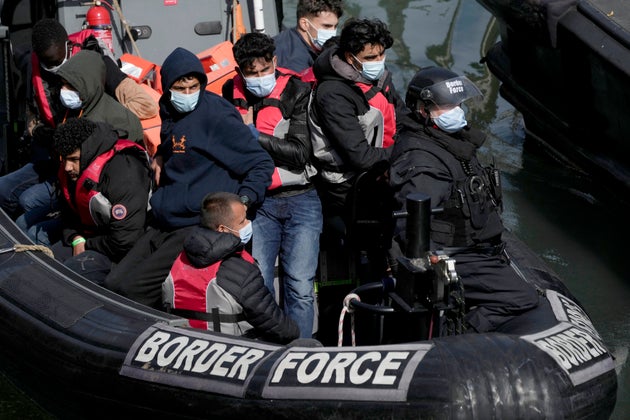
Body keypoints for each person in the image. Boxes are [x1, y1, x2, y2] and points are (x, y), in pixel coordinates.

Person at [105, 47, 275, 309]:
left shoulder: (215, 115)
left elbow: (260, 163)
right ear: (168, 88)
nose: (187, 95)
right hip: (165, 219)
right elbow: (181, 141)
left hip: (195, 223)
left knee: (133, 291)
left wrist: (243, 201)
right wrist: (161, 154)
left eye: (193, 87)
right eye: (180, 89)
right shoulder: (169, 109)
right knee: (114, 284)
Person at [389, 66, 540, 333]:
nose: (457, 110)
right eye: (447, 106)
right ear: (423, 110)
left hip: (477, 245)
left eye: (458, 104)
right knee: (521, 298)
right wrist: (437, 268)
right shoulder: (421, 157)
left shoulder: (450, 141)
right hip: (455, 253)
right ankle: (461, 332)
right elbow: (413, 224)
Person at [0, 18, 156, 219]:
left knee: (29, 200)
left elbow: (145, 105)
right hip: (54, 155)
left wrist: (93, 127)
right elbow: (32, 114)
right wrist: (38, 131)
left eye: (58, 62)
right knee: (3, 189)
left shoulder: (94, 63)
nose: (55, 68)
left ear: (67, 46)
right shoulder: (35, 71)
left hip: (86, 160)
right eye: (49, 64)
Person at [222, 33, 322, 338]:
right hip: (259, 204)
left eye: (264, 70)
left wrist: (256, 137)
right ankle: (266, 348)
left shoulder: (297, 90)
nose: (258, 78)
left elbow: (301, 152)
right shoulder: (230, 91)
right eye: (250, 73)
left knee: (301, 285)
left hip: (301, 199)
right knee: (259, 282)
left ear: (275, 62)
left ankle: (301, 349)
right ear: (239, 70)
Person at [15, 50, 145, 245]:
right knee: (21, 221)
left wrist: (81, 240)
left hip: (96, 204)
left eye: (71, 85)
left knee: (32, 217)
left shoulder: (118, 122)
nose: (64, 90)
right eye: (63, 84)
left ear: (87, 84)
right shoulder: (72, 112)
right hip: (70, 194)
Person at [163, 192, 300, 344]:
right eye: (242, 222)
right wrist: (295, 332)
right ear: (222, 228)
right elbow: (279, 327)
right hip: (231, 354)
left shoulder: (177, 259)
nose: (248, 223)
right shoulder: (241, 270)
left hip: (182, 349)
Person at [309, 17, 409, 222]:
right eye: (371, 57)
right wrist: (407, 152)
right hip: (348, 185)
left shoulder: (378, 79)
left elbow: (403, 118)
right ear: (350, 57)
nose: (379, 61)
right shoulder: (332, 94)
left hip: (386, 165)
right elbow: (360, 156)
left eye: (382, 54)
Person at [51, 118, 151, 285]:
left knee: (67, 276)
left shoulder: (124, 173)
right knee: (43, 261)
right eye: (64, 159)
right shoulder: (73, 170)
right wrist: (75, 238)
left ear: (88, 152)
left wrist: (87, 244)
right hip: (89, 236)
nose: (67, 167)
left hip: (122, 248)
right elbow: (67, 211)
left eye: (74, 159)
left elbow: (124, 240)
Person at [273, 0, 343, 73]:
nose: (333, 32)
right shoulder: (294, 63)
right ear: (304, 24)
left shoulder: (292, 36)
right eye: (326, 26)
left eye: (335, 26)